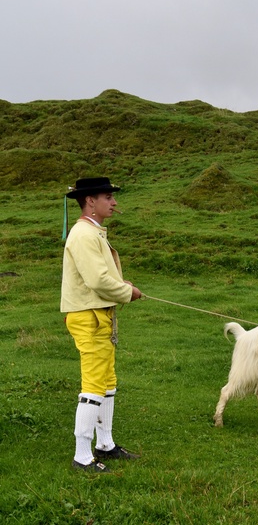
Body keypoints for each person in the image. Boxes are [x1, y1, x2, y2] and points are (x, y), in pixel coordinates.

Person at [61, 177, 142, 472]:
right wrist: (126, 292)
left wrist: (122, 285)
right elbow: (96, 280)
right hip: (88, 315)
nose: (114, 201)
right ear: (90, 201)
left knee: (107, 382)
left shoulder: (92, 232)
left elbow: (99, 275)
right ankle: (82, 456)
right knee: (94, 385)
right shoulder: (83, 234)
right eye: (108, 196)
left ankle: (104, 444)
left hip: (99, 314)